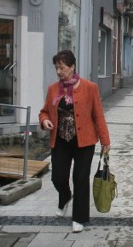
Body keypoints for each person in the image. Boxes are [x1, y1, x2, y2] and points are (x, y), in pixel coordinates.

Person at [39, 50, 110, 233]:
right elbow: (44, 111)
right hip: (60, 139)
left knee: (80, 178)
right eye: (56, 68)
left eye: (61, 68)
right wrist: (44, 120)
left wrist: (105, 141)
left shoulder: (90, 87)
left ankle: (79, 217)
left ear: (72, 67)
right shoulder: (53, 89)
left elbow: (98, 115)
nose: (58, 72)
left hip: (84, 140)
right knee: (58, 177)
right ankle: (65, 197)